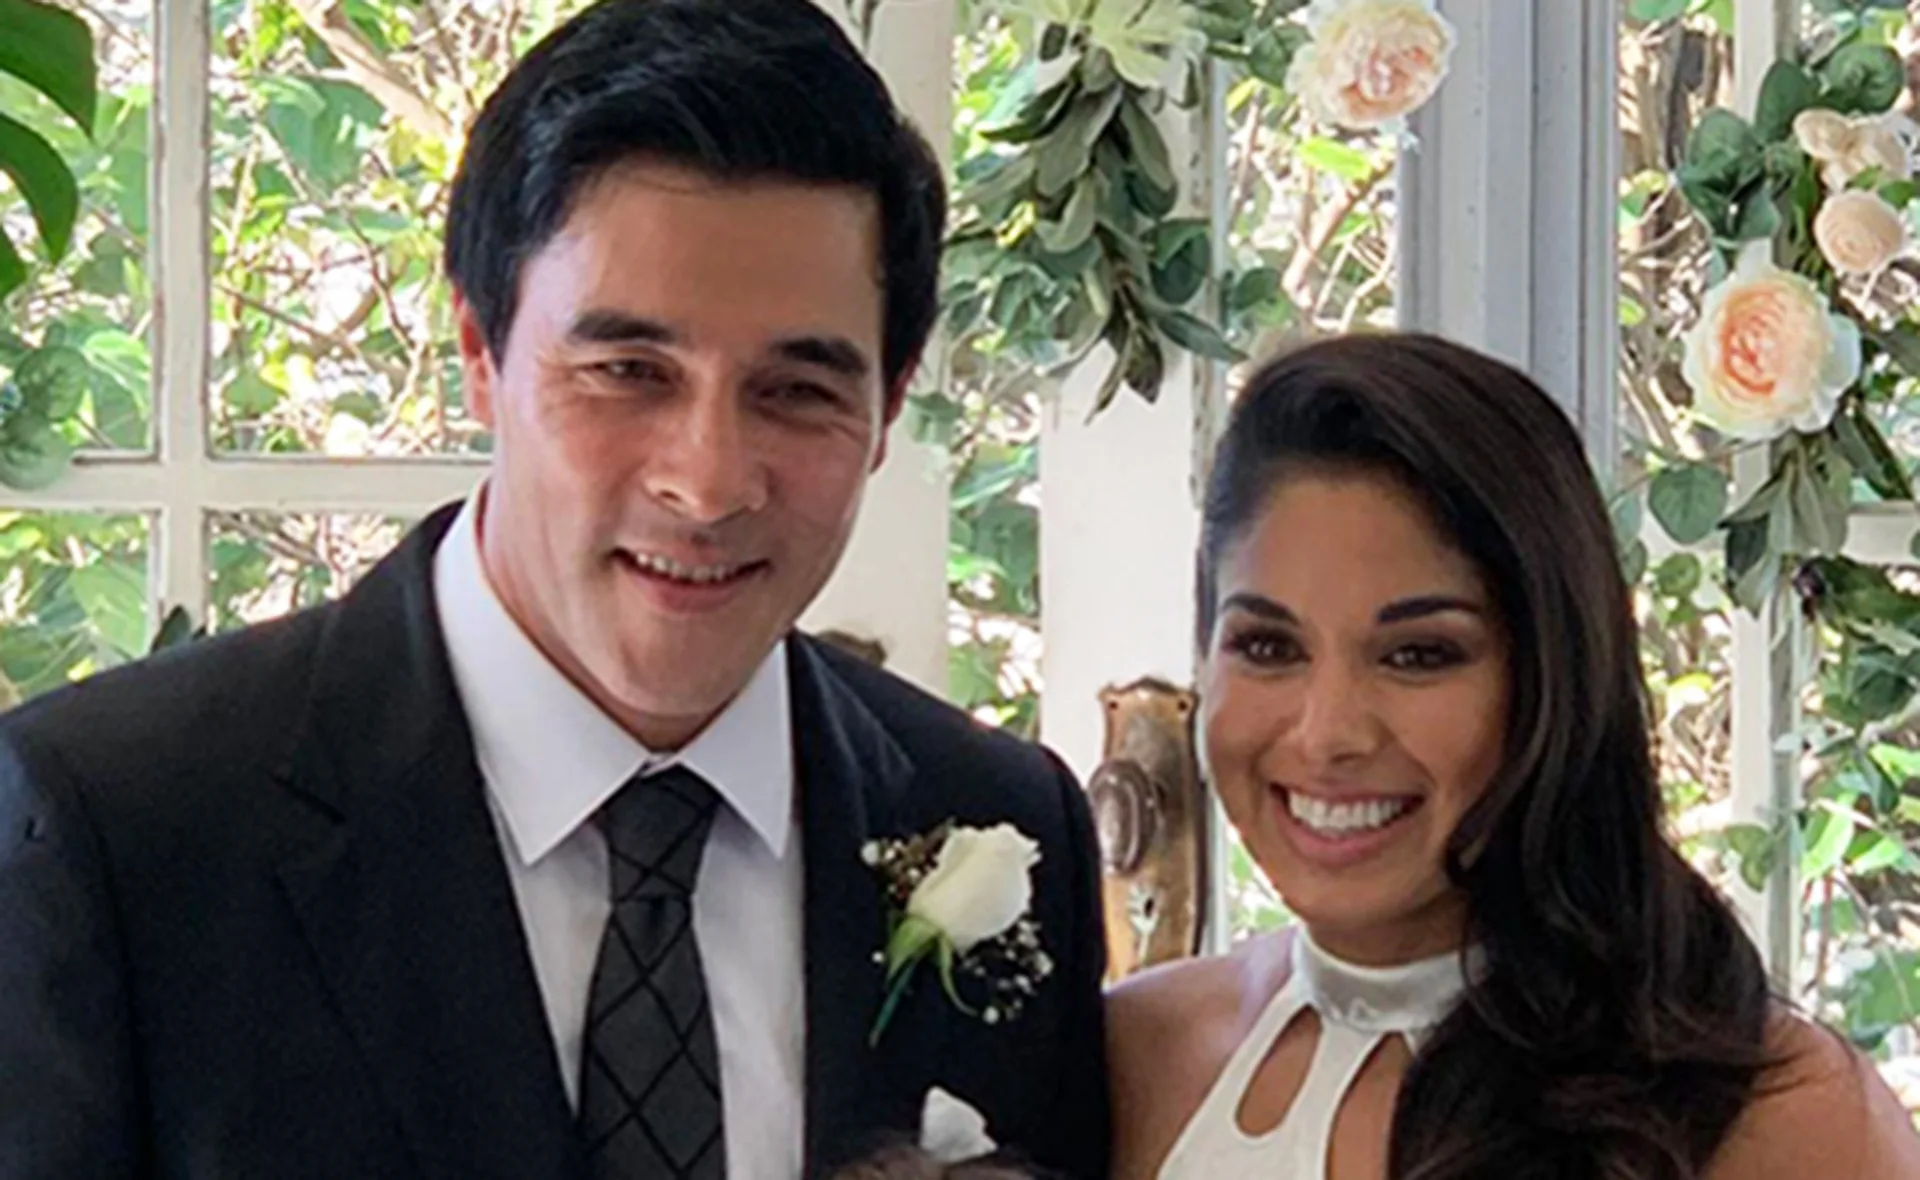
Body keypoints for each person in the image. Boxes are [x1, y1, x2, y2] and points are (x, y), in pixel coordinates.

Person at [0, 2, 1110, 1177]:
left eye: (796, 391)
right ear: (479, 353)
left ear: (889, 405)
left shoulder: (997, 823)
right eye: (628, 372)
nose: (709, 480)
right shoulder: (121, 830)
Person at [1106, 333, 1920, 1179]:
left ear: (1555, 674)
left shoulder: (1788, 1120)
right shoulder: (1129, 1056)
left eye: (1418, 654)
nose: (1327, 733)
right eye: (1269, 647)